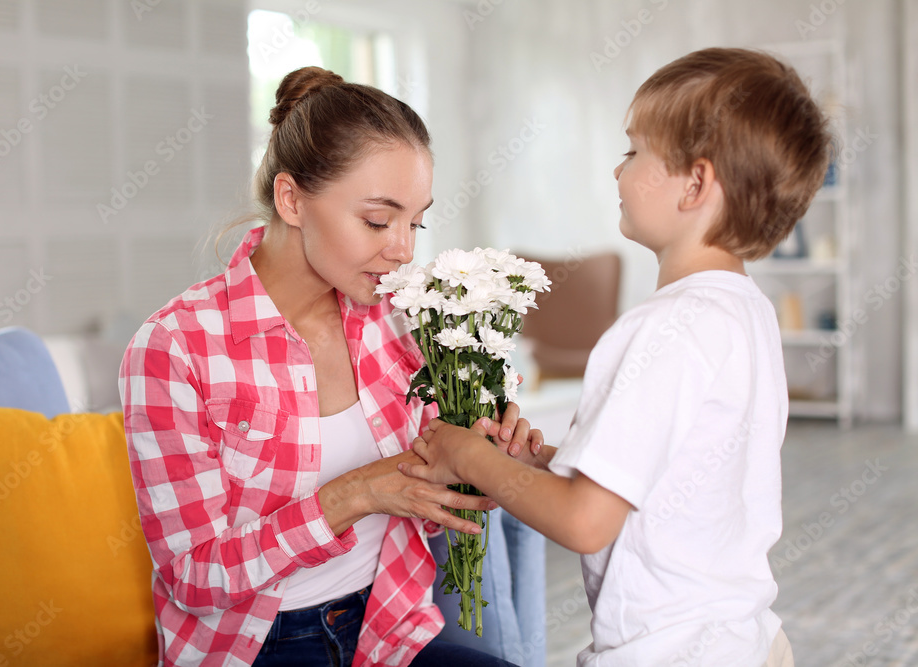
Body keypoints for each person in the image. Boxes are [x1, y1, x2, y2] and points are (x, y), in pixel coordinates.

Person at [400, 47, 830, 667]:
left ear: (697, 184)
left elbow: (585, 524)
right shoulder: (745, 311)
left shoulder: (662, 329)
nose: (617, 172)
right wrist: (545, 462)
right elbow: (671, 472)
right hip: (746, 639)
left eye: (633, 152)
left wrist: (468, 454)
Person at [119, 67, 531, 666]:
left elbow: (432, 496)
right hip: (260, 646)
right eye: (376, 220)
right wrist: (354, 494)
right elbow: (193, 578)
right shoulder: (176, 347)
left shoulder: (400, 319)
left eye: (415, 222)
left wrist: (485, 457)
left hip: (389, 626)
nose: (404, 249)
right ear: (292, 200)